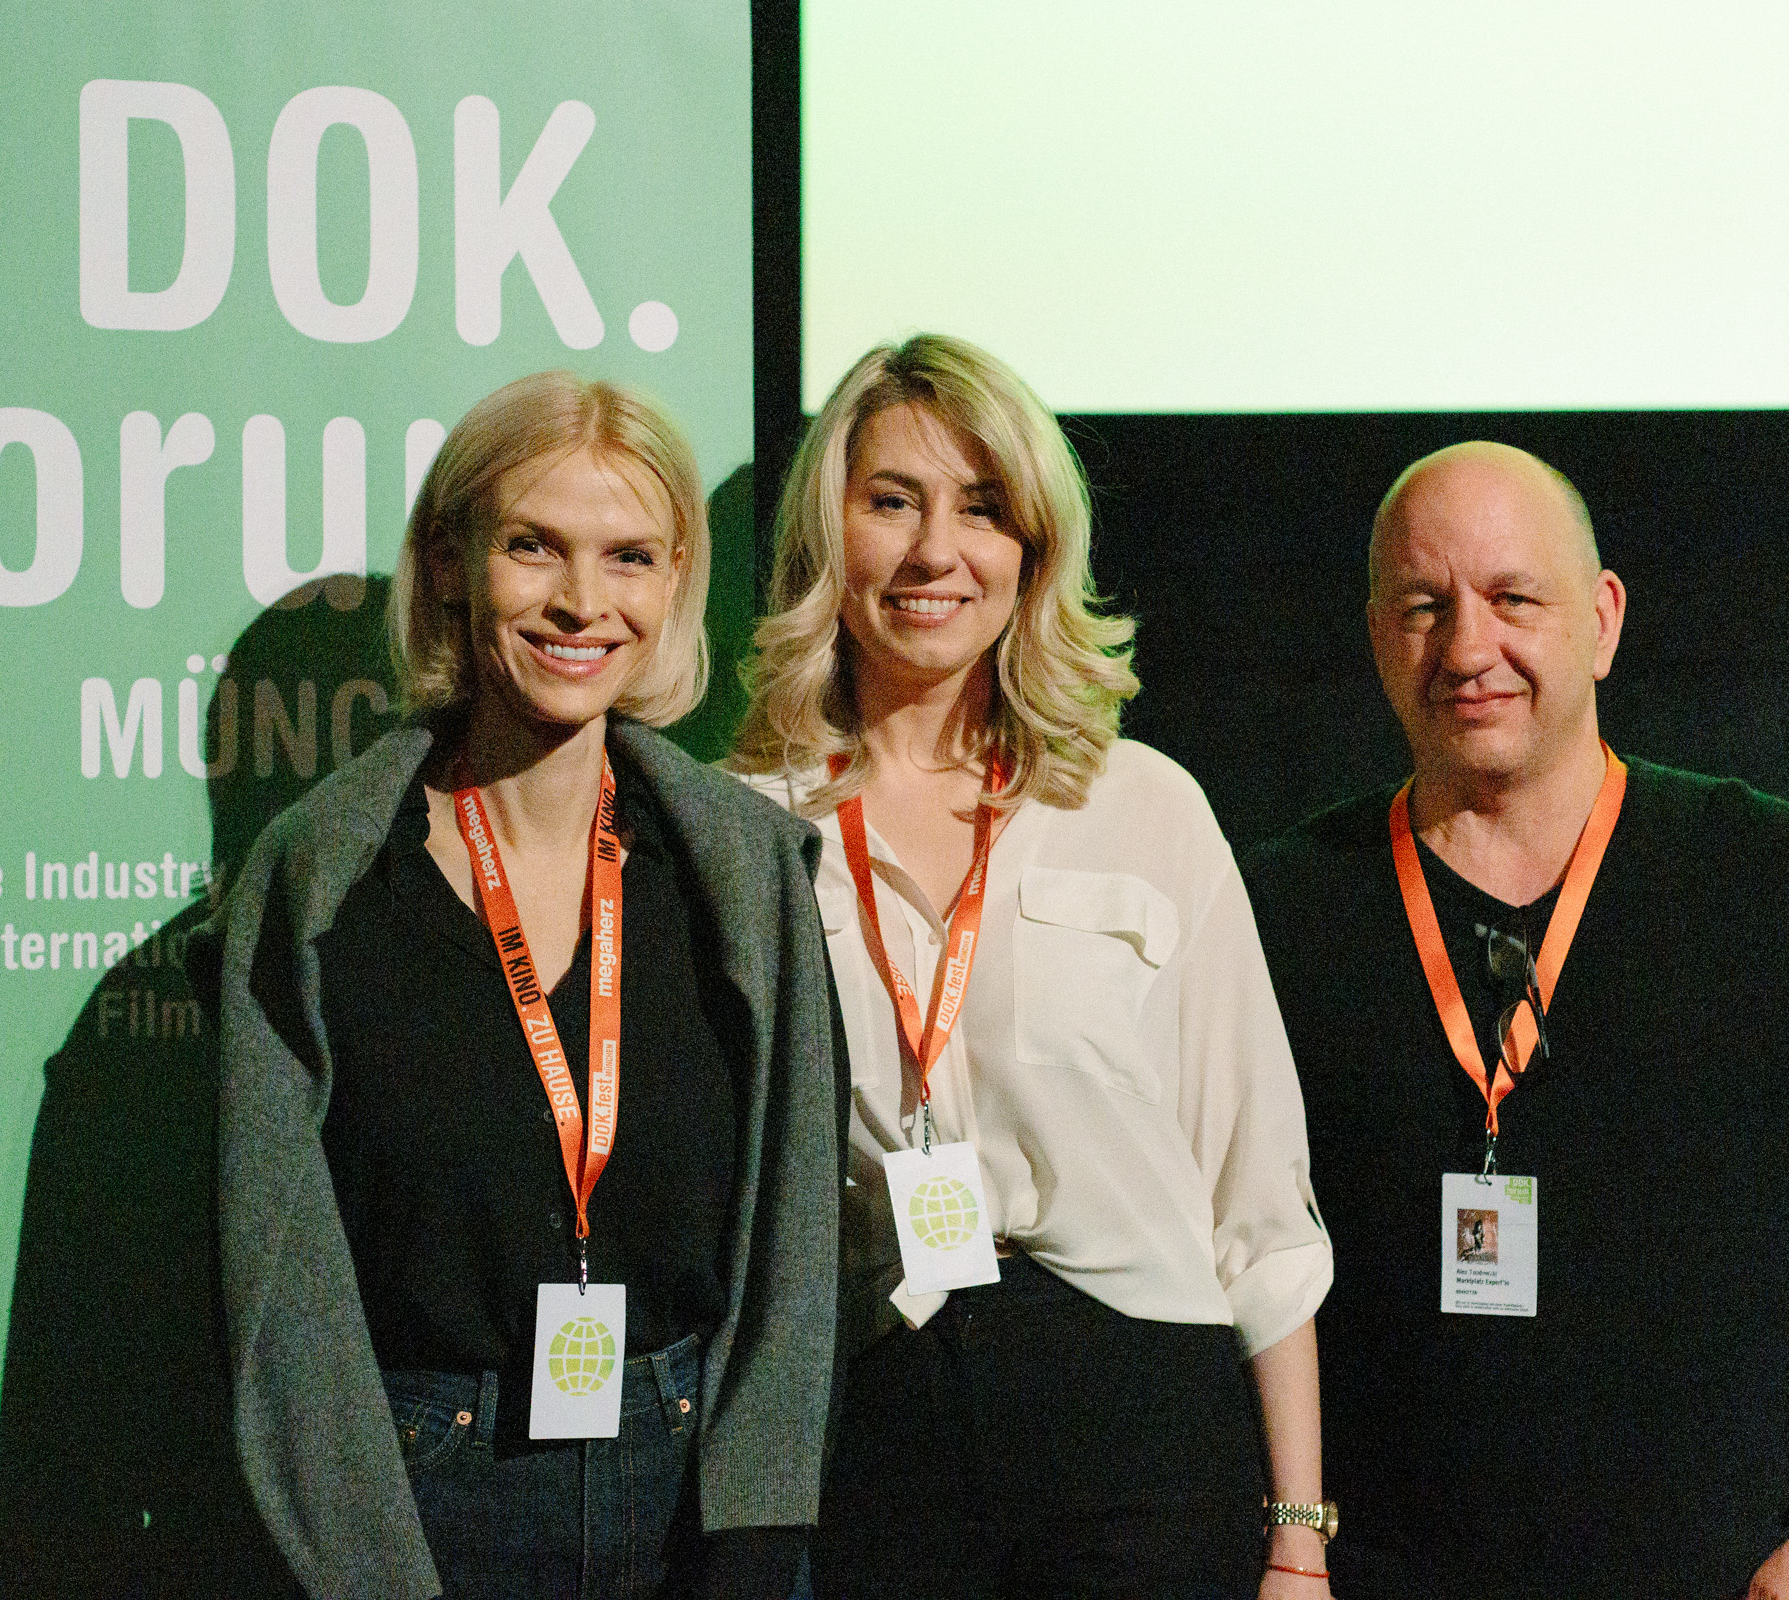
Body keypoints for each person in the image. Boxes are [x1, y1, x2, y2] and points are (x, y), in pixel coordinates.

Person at [1244, 441, 1789, 1599]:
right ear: (1378, 633)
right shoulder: (1285, 903)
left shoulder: (1764, 873)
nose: (1467, 647)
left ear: (1602, 620)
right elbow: (1230, 1255)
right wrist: (1291, 1544)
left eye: (1513, 599)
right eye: (1425, 606)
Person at [197, 371, 839, 1600]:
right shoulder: (318, 884)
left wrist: (759, 1526)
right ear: (450, 563)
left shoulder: (744, 869)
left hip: (692, 1495)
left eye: (629, 556)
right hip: (426, 1492)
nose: (583, 601)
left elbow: (794, 1237)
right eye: (533, 546)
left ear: (675, 581)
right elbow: (279, 1290)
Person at [730, 334, 1335, 1600]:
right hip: (881, 1429)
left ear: (1035, 549)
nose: (934, 550)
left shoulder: (1144, 804)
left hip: (1142, 1427)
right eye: (892, 501)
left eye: (982, 507)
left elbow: (1258, 1196)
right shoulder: (743, 825)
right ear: (827, 532)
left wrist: (1297, 1539)